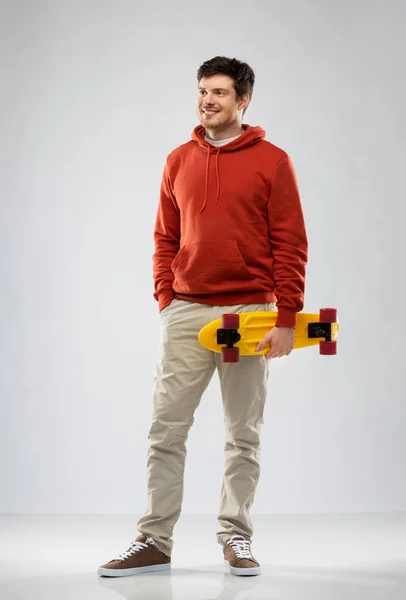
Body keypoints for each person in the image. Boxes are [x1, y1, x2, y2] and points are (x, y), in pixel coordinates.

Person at [98, 55, 308, 578]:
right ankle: (154, 539)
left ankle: (235, 535)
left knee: (243, 432)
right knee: (165, 429)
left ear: (243, 100)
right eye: (202, 92)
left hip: (248, 313)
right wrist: (166, 298)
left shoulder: (273, 161)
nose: (207, 101)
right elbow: (164, 236)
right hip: (187, 310)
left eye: (219, 92)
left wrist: (286, 316)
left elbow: (290, 242)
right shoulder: (177, 159)